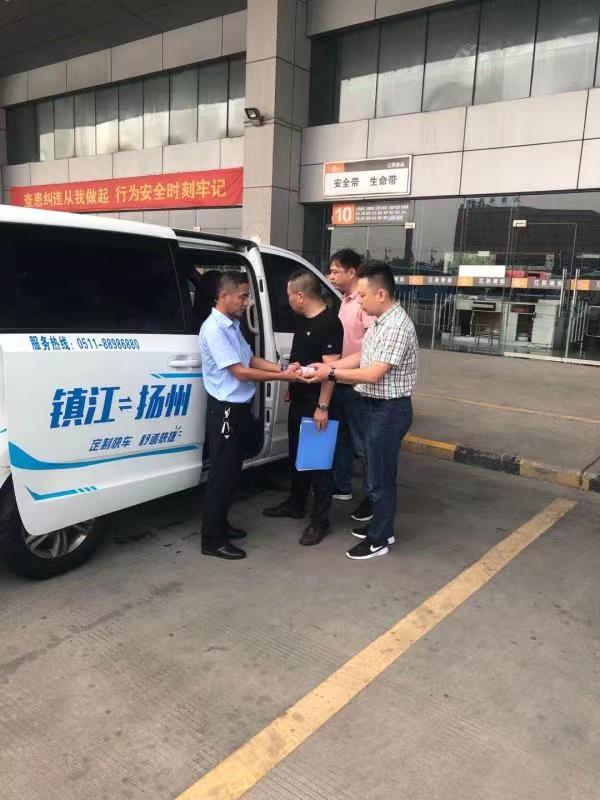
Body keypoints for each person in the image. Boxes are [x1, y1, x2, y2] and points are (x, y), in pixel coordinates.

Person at [307, 260, 417, 561]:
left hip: (388, 410)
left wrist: (330, 374)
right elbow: (361, 357)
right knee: (375, 473)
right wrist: (325, 367)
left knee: (380, 477)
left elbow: (372, 373)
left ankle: (379, 539)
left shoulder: (396, 326)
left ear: (381, 294)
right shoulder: (380, 322)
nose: (360, 301)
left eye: (364, 296)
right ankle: (383, 528)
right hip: (374, 407)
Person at [199, 271, 299, 560]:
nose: (246, 303)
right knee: (221, 474)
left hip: (239, 409)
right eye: (243, 297)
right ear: (224, 296)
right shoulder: (214, 329)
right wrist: (283, 378)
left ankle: (221, 525)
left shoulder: (232, 326)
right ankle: (212, 540)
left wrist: (283, 369)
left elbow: (250, 359)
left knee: (232, 472)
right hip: (226, 410)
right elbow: (240, 372)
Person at [263, 270, 343, 546]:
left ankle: (320, 521)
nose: (287, 300)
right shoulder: (302, 320)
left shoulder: (329, 323)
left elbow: (331, 371)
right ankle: (296, 504)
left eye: (288, 294)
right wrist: (292, 384)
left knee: (318, 464)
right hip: (299, 398)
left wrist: (323, 406)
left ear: (299, 295)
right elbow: (300, 361)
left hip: (317, 403)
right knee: (297, 456)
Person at [328, 248, 375, 524]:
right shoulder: (345, 300)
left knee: (363, 443)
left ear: (352, 272)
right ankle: (342, 485)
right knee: (342, 436)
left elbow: (369, 347)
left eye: (335, 271)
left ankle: (372, 496)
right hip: (340, 378)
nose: (331, 276)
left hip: (356, 381)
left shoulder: (363, 302)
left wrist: (338, 368)